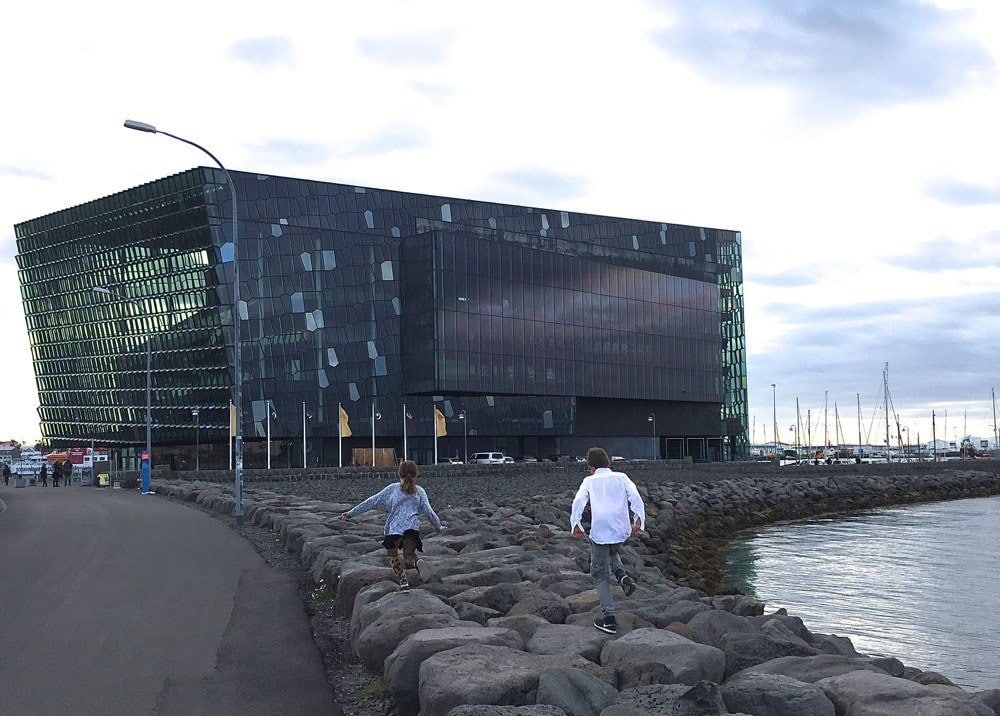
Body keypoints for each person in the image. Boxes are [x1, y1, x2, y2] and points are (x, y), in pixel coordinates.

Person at [570, 446, 645, 634]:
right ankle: (621, 575)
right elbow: (635, 497)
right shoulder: (622, 477)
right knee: (613, 550)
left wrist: (575, 524)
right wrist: (638, 521)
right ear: (609, 463)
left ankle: (609, 620)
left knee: (600, 575)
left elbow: (579, 500)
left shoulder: (589, 480)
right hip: (621, 529)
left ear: (590, 467)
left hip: (601, 530)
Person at [340, 460, 444, 591]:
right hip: (411, 531)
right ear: (416, 475)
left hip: (393, 532)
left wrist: (350, 514)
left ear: (398, 474)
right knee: (409, 556)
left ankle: (403, 582)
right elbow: (429, 512)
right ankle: (416, 563)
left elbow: (371, 501)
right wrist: (438, 527)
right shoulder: (420, 492)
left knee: (393, 558)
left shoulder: (392, 489)